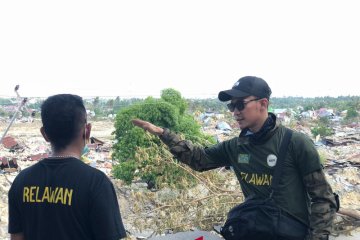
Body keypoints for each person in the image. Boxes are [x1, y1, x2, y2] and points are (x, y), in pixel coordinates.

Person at [132, 76, 338, 240]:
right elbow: (199, 159)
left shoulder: (295, 143)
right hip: (255, 231)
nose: (235, 112)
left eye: (240, 104)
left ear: (263, 103)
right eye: (232, 106)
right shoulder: (235, 146)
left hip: (291, 233)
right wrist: (163, 134)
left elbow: (323, 198)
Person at [8, 94, 127, 240]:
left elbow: (16, 238)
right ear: (87, 130)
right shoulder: (96, 183)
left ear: (44, 134)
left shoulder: (21, 181)